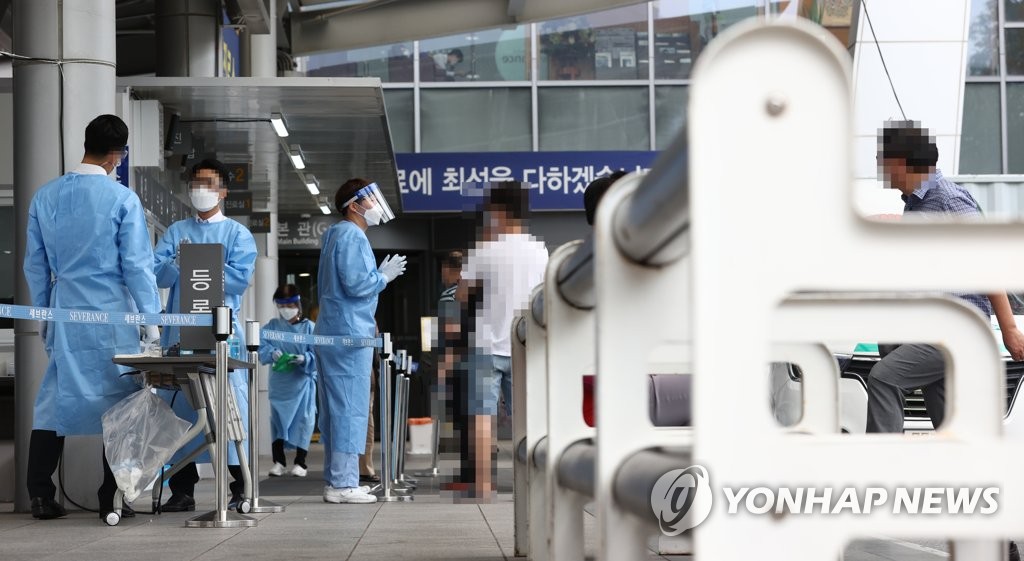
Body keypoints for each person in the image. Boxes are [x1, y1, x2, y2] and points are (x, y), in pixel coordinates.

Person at [23, 114, 162, 521]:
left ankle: (39, 493)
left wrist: (47, 318)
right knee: (119, 404)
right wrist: (152, 327)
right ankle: (110, 497)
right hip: (112, 315)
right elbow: (138, 266)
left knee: (53, 400)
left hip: (65, 311)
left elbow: (35, 266)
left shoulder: (45, 197)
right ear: (116, 156)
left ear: (86, 145)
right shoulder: (122, 200)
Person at [867, 121, 1024, 435]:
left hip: (955, 328)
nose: (879, 166)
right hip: (935, 325)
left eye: (882, 159)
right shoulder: (915, 201)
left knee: (883, 378)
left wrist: (1009, 331)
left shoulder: (948, 199)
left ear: (900, 161)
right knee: (946, 418)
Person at [153, 158, 258, 512]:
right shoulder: (175, 232)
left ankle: (240, 485)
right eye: (196, 182)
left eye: (209, 183)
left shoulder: (237, 234)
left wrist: (202, 261)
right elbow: (157, 274)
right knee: (181, 411)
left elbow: (241, 279)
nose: (201, 189)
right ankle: (182, 490)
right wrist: (176, 262)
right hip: (181, 336)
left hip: (220, 336)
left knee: (227, 410)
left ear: (223, 191)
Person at [455, 182, 549, 498]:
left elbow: (461, 294)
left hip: (485, 343)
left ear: (497, 211)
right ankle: (532, 483)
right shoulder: (540, 250)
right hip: (525, 344)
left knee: (482, 415)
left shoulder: (484, 249)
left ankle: (482, 486)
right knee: (530, 416)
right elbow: (545, 297)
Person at [315, 178, 406, 504]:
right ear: (353, 205)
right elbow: (356, 285)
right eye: (370, 199)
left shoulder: (336, 235)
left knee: (337, 409)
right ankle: (343, 483)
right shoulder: (352, 235)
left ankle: (338, 480)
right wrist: (383, 277)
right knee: (350, 409)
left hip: (336, 332)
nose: (376, 205)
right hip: (348, 335)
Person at [258, 284, 317, 478]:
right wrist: (271, 353)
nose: (286, 309)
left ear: (298, 304)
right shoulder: (272, 327)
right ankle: (279, 461)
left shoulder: (310, 328)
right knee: (278, 422)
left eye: (289, 305)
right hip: (280, 384)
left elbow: (319, 354)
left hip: (302, 384)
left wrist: (305, 359)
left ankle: (301, 462)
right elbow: (260, 345)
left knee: (303, 421)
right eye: (281, 305)